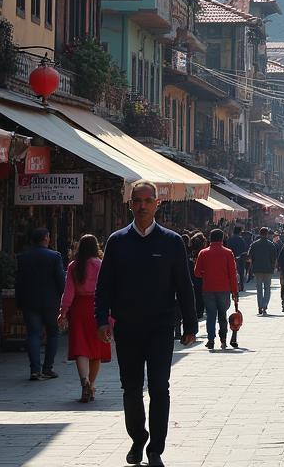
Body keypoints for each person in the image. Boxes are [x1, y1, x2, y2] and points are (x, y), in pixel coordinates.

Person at [95, 181, 197, 467]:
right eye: (137, 201)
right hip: (127, 327)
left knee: (159, 387)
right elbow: (104, 286)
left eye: (147, 201)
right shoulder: (117, 241)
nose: (142, 206)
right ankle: (138, 438)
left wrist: (190, 324)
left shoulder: (171, 242)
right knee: (130, 388)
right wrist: (101, 320)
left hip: (160, 327)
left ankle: (156, 448)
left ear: (157, 204)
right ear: (130, 204)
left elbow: (184, 285)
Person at [59, 234, 112, 403]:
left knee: (81, 347)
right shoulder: (100, 265)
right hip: (97, 308)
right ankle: (92, 384)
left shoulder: (74, 266)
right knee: (96, 350)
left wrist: (63, 312)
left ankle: (85, 382)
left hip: (79, 308)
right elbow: (108, 290)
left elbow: (68, 293)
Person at [15, 226, 66, 382]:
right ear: (45, 238)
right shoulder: (54, 256)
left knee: (33, 334)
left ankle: (35, 370)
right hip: (51, 302)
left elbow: (19, 282)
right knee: (53, 333)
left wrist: (19, 301)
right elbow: (60, 281)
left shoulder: (23, 257)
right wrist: (64, 302)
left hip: (30, 302)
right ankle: (48, 368)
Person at [194, 228, 240, 349]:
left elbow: (197, 272)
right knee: (222, 315)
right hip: (224, 289)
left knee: (210, 315)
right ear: (222, 239)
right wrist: (235, 292)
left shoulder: (203, 253)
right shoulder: (228, 253)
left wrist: (206, 274)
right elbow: (232, 274)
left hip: (208, 288)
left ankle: (210, 339)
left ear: (210, 238)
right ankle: (223, 339)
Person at [248, 227, 277, 315]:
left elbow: (249, 257)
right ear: (267, 234)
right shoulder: (271, 244)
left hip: (257, 269)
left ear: (260, 234)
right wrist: (274, 267)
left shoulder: (254, 244)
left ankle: (260, 306)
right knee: (267, 288)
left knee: (259, 288)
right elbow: (274, 258)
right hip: (268, 269)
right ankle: (264, 305)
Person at [190, 232, 207, 330]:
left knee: (195, 294)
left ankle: (196, 310)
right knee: (200, 293)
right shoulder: (203, 252)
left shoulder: (190, 251)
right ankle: (199, 311)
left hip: (192, 274)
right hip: (201, 275)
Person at [226, 224, 249, 291]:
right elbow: (245, 249)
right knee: (241, 273)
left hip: (232, 258)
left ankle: (232, 286)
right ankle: (241, 286)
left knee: (232, 272)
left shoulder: (230, 239)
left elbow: (228, 248)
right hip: (241, 258)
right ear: (240, 232)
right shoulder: (242, 240)